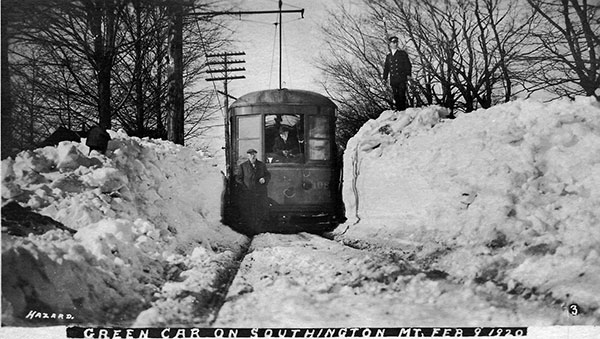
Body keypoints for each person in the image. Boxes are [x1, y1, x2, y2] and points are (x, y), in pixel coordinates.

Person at [234, 148, 271, 232]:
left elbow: (268, 175)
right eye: (251, 154)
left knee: (260, 210)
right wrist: (244, 187)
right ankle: (250, 229)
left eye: (254, 154)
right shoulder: (243, 166)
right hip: (248, 192)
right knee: (249, 210)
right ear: (248, 156)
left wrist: (264, 179)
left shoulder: (261, 165)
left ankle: (260, 229)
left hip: (260, 192)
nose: (252, 156)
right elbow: (238, 178)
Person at [383, 36, 412, 111]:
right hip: (393, 80)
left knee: (402, 95)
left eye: (396, 42)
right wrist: (384, 78)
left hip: (401, 78)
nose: (395, 44)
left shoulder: (402, 54)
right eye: (393, 42)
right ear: (390, 44)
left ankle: (403, 111)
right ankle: (399, 112)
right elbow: (386, 68)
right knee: (396, 96)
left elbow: (408, 65)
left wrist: (408, 74)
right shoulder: (388, 56)